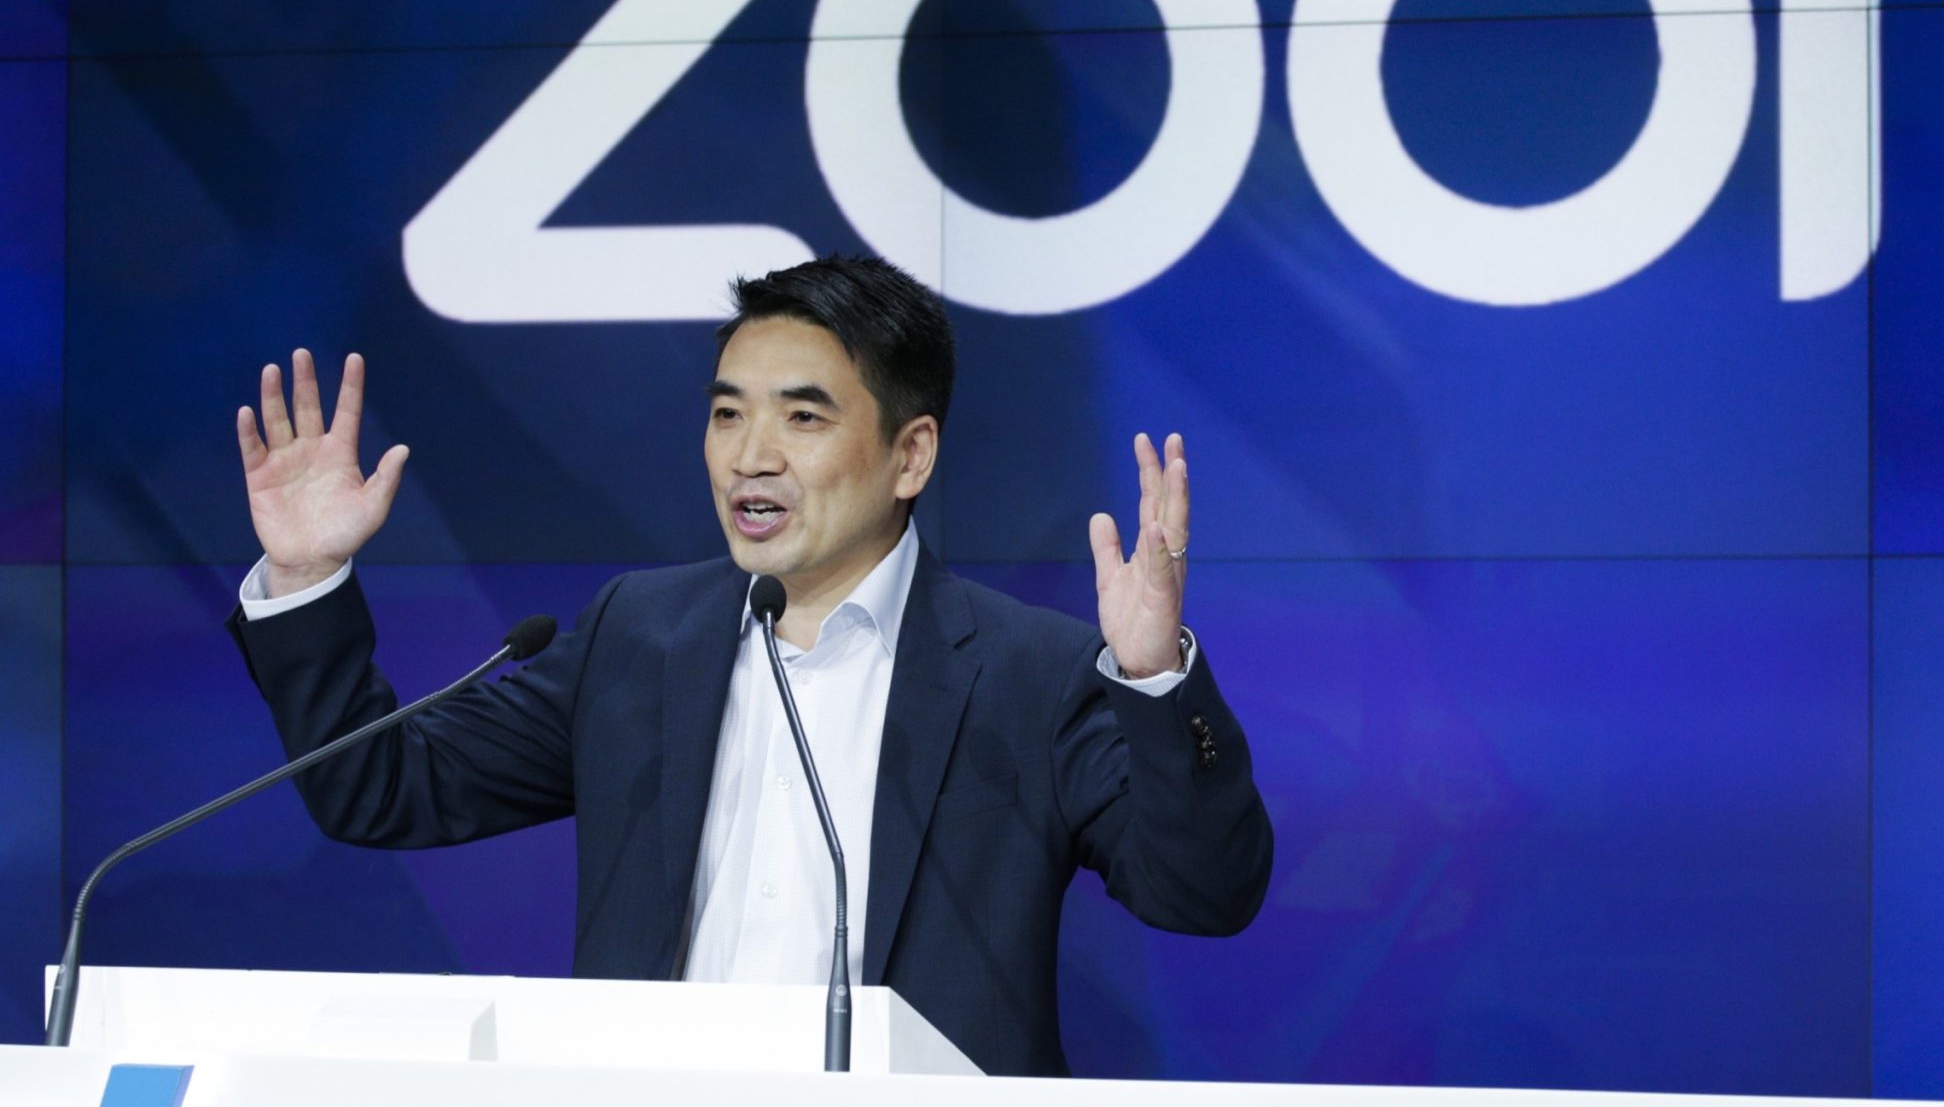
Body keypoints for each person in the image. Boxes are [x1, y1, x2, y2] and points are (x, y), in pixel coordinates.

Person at [224, 255, 1273, 1077]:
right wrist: (305, 577)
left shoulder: (1026, 670)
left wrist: (1154, 678)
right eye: (728, 413)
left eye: (801, 416)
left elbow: (1204, 894)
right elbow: (378, 786)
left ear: (910, 455)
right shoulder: (642, 636)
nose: (749, 455)